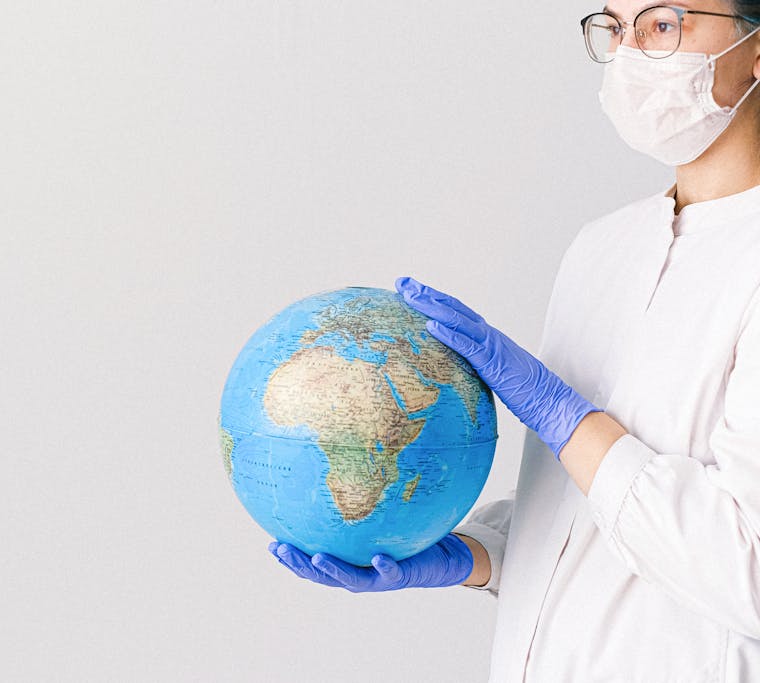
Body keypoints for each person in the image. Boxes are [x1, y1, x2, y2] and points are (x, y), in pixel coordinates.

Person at [267, 2, 760, 680]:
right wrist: (478, 551)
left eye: (662, 23)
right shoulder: (601, 249)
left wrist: (569, 418)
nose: (629, 54)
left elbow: (746, 567)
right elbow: (585, 517)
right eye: (614, 28)